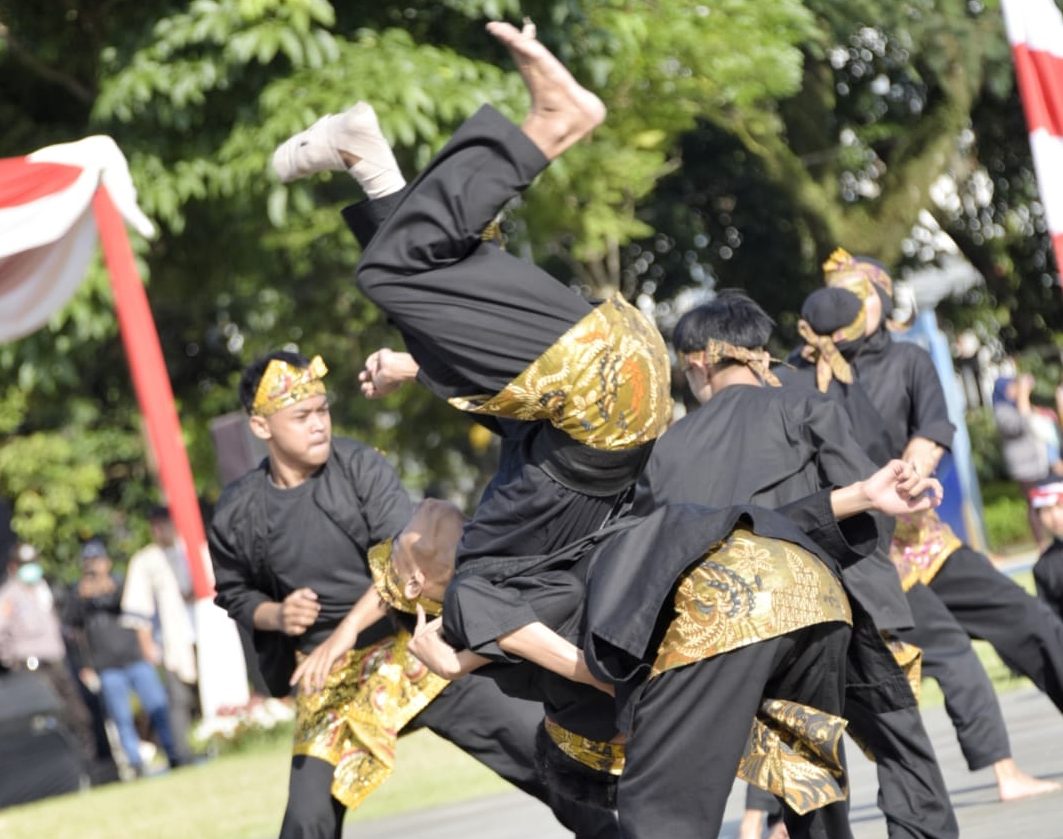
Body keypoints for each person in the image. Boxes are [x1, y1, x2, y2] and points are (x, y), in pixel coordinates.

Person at [209, 349, 588, 839]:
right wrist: (277, 615)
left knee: (545, 756)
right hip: (334, 680)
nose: (318, 424)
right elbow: (235, 593)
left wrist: (342, 633)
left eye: (322, 409)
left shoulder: (358, 467)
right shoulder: (238, 512)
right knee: (306, 820)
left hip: (417, 649)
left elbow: (402, 561)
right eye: (301, 415)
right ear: (261, 427)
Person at [651, 290, 956, 839]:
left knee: (803, 775)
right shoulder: (803, 405)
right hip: (840, 608)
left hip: (738, 633)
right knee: (900, 745)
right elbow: (871, 504)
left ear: (697, 363)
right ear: (758, 352)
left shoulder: (667, 450)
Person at [788, 253, 1063, 801]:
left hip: (922, 535)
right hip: (865, 555)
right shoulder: (799, 375)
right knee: (948, 654)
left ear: (881, 302)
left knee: (1031, 621)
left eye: (859, 297)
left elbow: (934, 427)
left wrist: (913, 472)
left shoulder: (908, 360)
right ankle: (1005, 773)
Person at [63, 538, 183, 777]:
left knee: (157, 706)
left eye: (97, 560)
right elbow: (71, 626)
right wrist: (82, 596)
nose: (93, 566)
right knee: (121, 717)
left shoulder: (120, 582)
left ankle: (174, 753)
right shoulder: (79, 593)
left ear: (106, 561)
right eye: (89, 562)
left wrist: (107, 587)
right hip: (106, 666)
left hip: (135, 657)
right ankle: (135, 763)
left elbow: (131, 606)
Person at [0, 542, 97, 769]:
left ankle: (87, 767)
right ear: (14, 567)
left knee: (78, 714)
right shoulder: (8, 597)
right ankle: (65, 768)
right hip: (32, 666)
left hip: (57, 661)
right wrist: (12, 661)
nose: (31, 568)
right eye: (25, 564)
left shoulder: (44, 590)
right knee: (52, 717)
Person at [122, 507, 198, 765]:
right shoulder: (146, 561)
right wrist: (147, 645)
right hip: (171, 638)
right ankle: (182, 752)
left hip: (203, 630)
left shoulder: (192, 549)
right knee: (177, 699)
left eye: (162, 524)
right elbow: (138, 610)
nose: (159, 530)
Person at [992, 374, 1063, 548]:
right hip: (1025, 468)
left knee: (1053, 501)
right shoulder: (1003, 411)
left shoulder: (1025, 407)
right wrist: (1023, 396)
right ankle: (1042, 544)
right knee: (1036, 505)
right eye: (1012, 388)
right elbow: (1021, 424)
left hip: (1042, 464)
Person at [1030, 479, 1063, 619]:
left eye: (1060, 505)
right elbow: (1052, 623)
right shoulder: (1044, 567)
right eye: (1046, 510)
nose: (1055, 516)